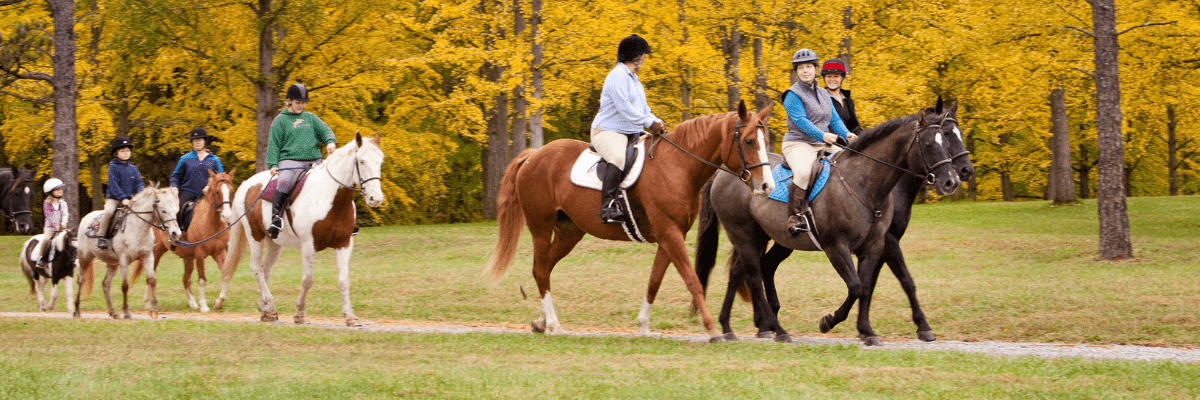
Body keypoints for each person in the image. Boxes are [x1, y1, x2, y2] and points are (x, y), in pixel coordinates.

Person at [590, 34, 665, 224]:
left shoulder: (635, 81)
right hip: (608, 130)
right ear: (637, 56)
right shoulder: (616, 76)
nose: (645, 59)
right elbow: (625, 109)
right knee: (617, 158)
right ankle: (607, 207)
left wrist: (658, 122)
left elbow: (644, 110)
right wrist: (649, 124)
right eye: (644, 55)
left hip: (631, 131)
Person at [781, 49, 857, 236]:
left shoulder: (824, 94)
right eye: (800, 68)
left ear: (815, 69)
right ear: (796, 72)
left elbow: (834, 120)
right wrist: (823, 136)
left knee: (851, 163)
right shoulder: (792, 94)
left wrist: (846, 134)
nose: (805, 71)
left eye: (808, 67)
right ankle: (794, 218)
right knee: (803, 172)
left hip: (821, 143)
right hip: (798, 143)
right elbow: (800, 121)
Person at [266, 83, 337, 239]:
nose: (301, 105)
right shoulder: (280, 121)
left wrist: (330, 141)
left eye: (303, 102)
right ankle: (276, 218)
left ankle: (340, 219)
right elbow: (273, 145)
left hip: (315, 161)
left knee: (333, 180)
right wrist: (272, 164)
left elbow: (326, 131)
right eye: (298, 102)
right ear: (289, 101)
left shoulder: (311, 118)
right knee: (284, 181)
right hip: (289, 162)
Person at [170, 127, 224, 232]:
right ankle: (176, 236)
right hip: (188, 192)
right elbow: (175, 176)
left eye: (200, 140)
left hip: (208, 193)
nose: (197, 142)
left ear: (205, 141)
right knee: (177, 209)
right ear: (192, 143)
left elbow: (221, 178)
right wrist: (174, 187)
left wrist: (209, 186)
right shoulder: (185, 158)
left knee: (223, 207)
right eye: (195, 141)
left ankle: (224, 237)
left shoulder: (214, 159)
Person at [98, 137, 145, 250]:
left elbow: (139, 183)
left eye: (128, 151)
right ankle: (102, 237)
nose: (126, 153)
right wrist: (122, 198)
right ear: (116, 153)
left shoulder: (133, 168)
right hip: (114, 198)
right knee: (109, 212)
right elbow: (114, 185)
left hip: (130, 199)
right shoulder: (113, 167)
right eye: (122, 151)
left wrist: (139, 196)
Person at [33, 178, 68, 272]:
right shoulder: (47, 204)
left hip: (61, 227)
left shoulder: (63, 203)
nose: (60, 190)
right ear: (50, 192)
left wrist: (63, 224)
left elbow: (65, 214)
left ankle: (73, 258)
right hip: (50, 228)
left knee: (70, 238)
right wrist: (55, 225)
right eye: (57, 189)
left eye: (60, 188)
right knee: (46, 239)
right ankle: (41, 258)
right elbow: (49, 216)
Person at [821, 58, 862, 134]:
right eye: (829, 76)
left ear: (842, 78)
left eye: (836, 76)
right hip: (830, 141)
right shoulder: (820, 99)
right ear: (824, 78)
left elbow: (855, 126)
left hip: (849, 141)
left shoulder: (848, 100)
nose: (832, 79)